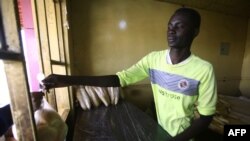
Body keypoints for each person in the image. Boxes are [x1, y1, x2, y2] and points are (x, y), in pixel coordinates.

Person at [42, 7, 217, 141]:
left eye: (179, 26)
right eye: (170, 26)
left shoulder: (203, 69)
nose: (171, 31)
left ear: (195, 32)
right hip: (160, 133)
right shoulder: (153, 60)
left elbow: (205, 118)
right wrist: (66, 80)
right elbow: (119, 79)